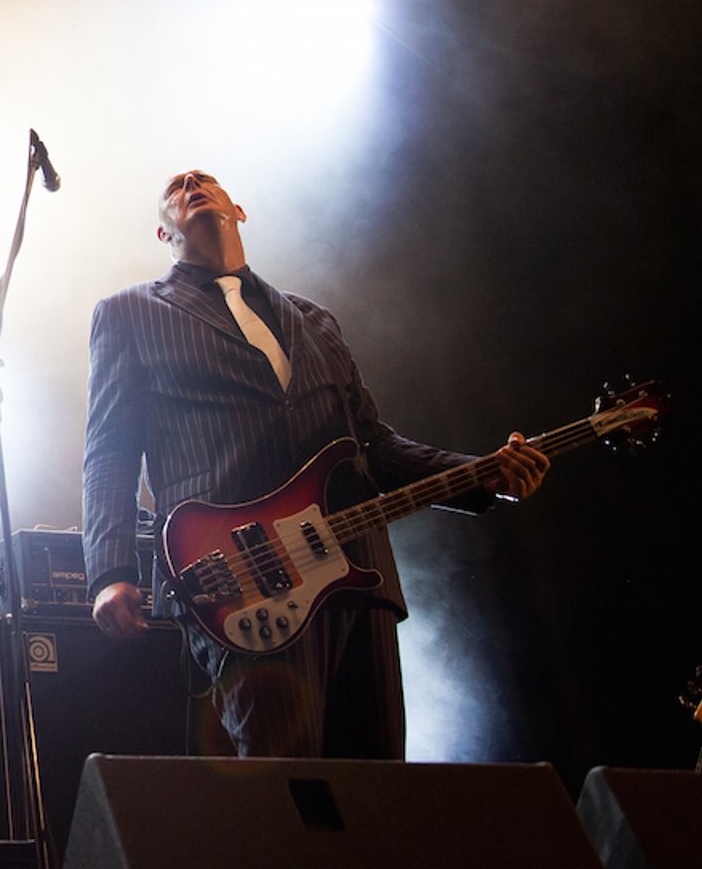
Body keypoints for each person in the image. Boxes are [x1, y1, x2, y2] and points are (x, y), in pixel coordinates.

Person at [81, 170, 549, 759]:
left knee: (377, 793)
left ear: (239, 211)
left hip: (356, 571)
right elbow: (110, 448)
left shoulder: (315, 320)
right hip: (239, 577)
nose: (192, 183)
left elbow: (372, 445)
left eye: (207, 180)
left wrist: (483, 472)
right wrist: (109, 570)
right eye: (177, 187)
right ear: (162, 230)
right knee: (289, 792)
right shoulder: (129, 313)